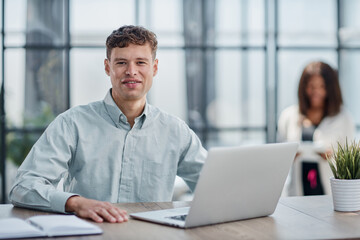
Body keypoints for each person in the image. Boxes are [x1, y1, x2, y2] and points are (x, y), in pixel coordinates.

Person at [9, 25, 207, 223]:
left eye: (141, 62)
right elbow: (24, 186)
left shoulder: (176, 131)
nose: (131, 71)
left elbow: (216, 187)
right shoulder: (72, 124)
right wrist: (77, 203)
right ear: (107, 67)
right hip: (91, 233)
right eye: (121, 62)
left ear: (154, 68)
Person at [278, 61, 355, 196]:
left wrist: (332, 157)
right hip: (296, 194)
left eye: (322, 86)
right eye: (311, 86)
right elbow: (278, 157)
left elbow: (351, 163)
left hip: (329, 195)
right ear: (304, 87)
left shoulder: (343, 118)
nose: (316, 92)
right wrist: (289, 155)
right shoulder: (289, 116)